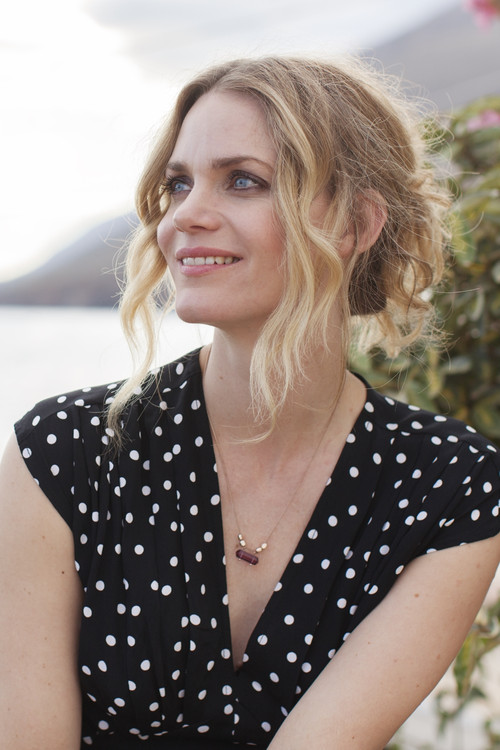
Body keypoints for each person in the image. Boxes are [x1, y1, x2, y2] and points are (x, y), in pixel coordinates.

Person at [1, 56, 499, 750]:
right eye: (178, 183)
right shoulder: (62, 454)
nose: (185, 215)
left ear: (357, 223)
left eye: (243, 181)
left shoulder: (447, 487)